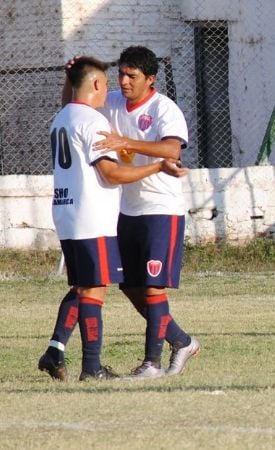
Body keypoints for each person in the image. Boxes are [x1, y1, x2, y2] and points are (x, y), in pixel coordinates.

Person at [39, 56, 187, 381]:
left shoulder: (62, 116)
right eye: (111, 79)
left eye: (128, 76)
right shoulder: (94, 121)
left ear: (149, 79)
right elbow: (112, 172)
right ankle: (93, 368)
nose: (117, 85)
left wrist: (70, 78)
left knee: (90, 286)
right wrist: (155, 166)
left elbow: (173, 147)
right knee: (95, 290)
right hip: (95, 215)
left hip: (70, 212)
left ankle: (56, 351)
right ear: (95, 85)